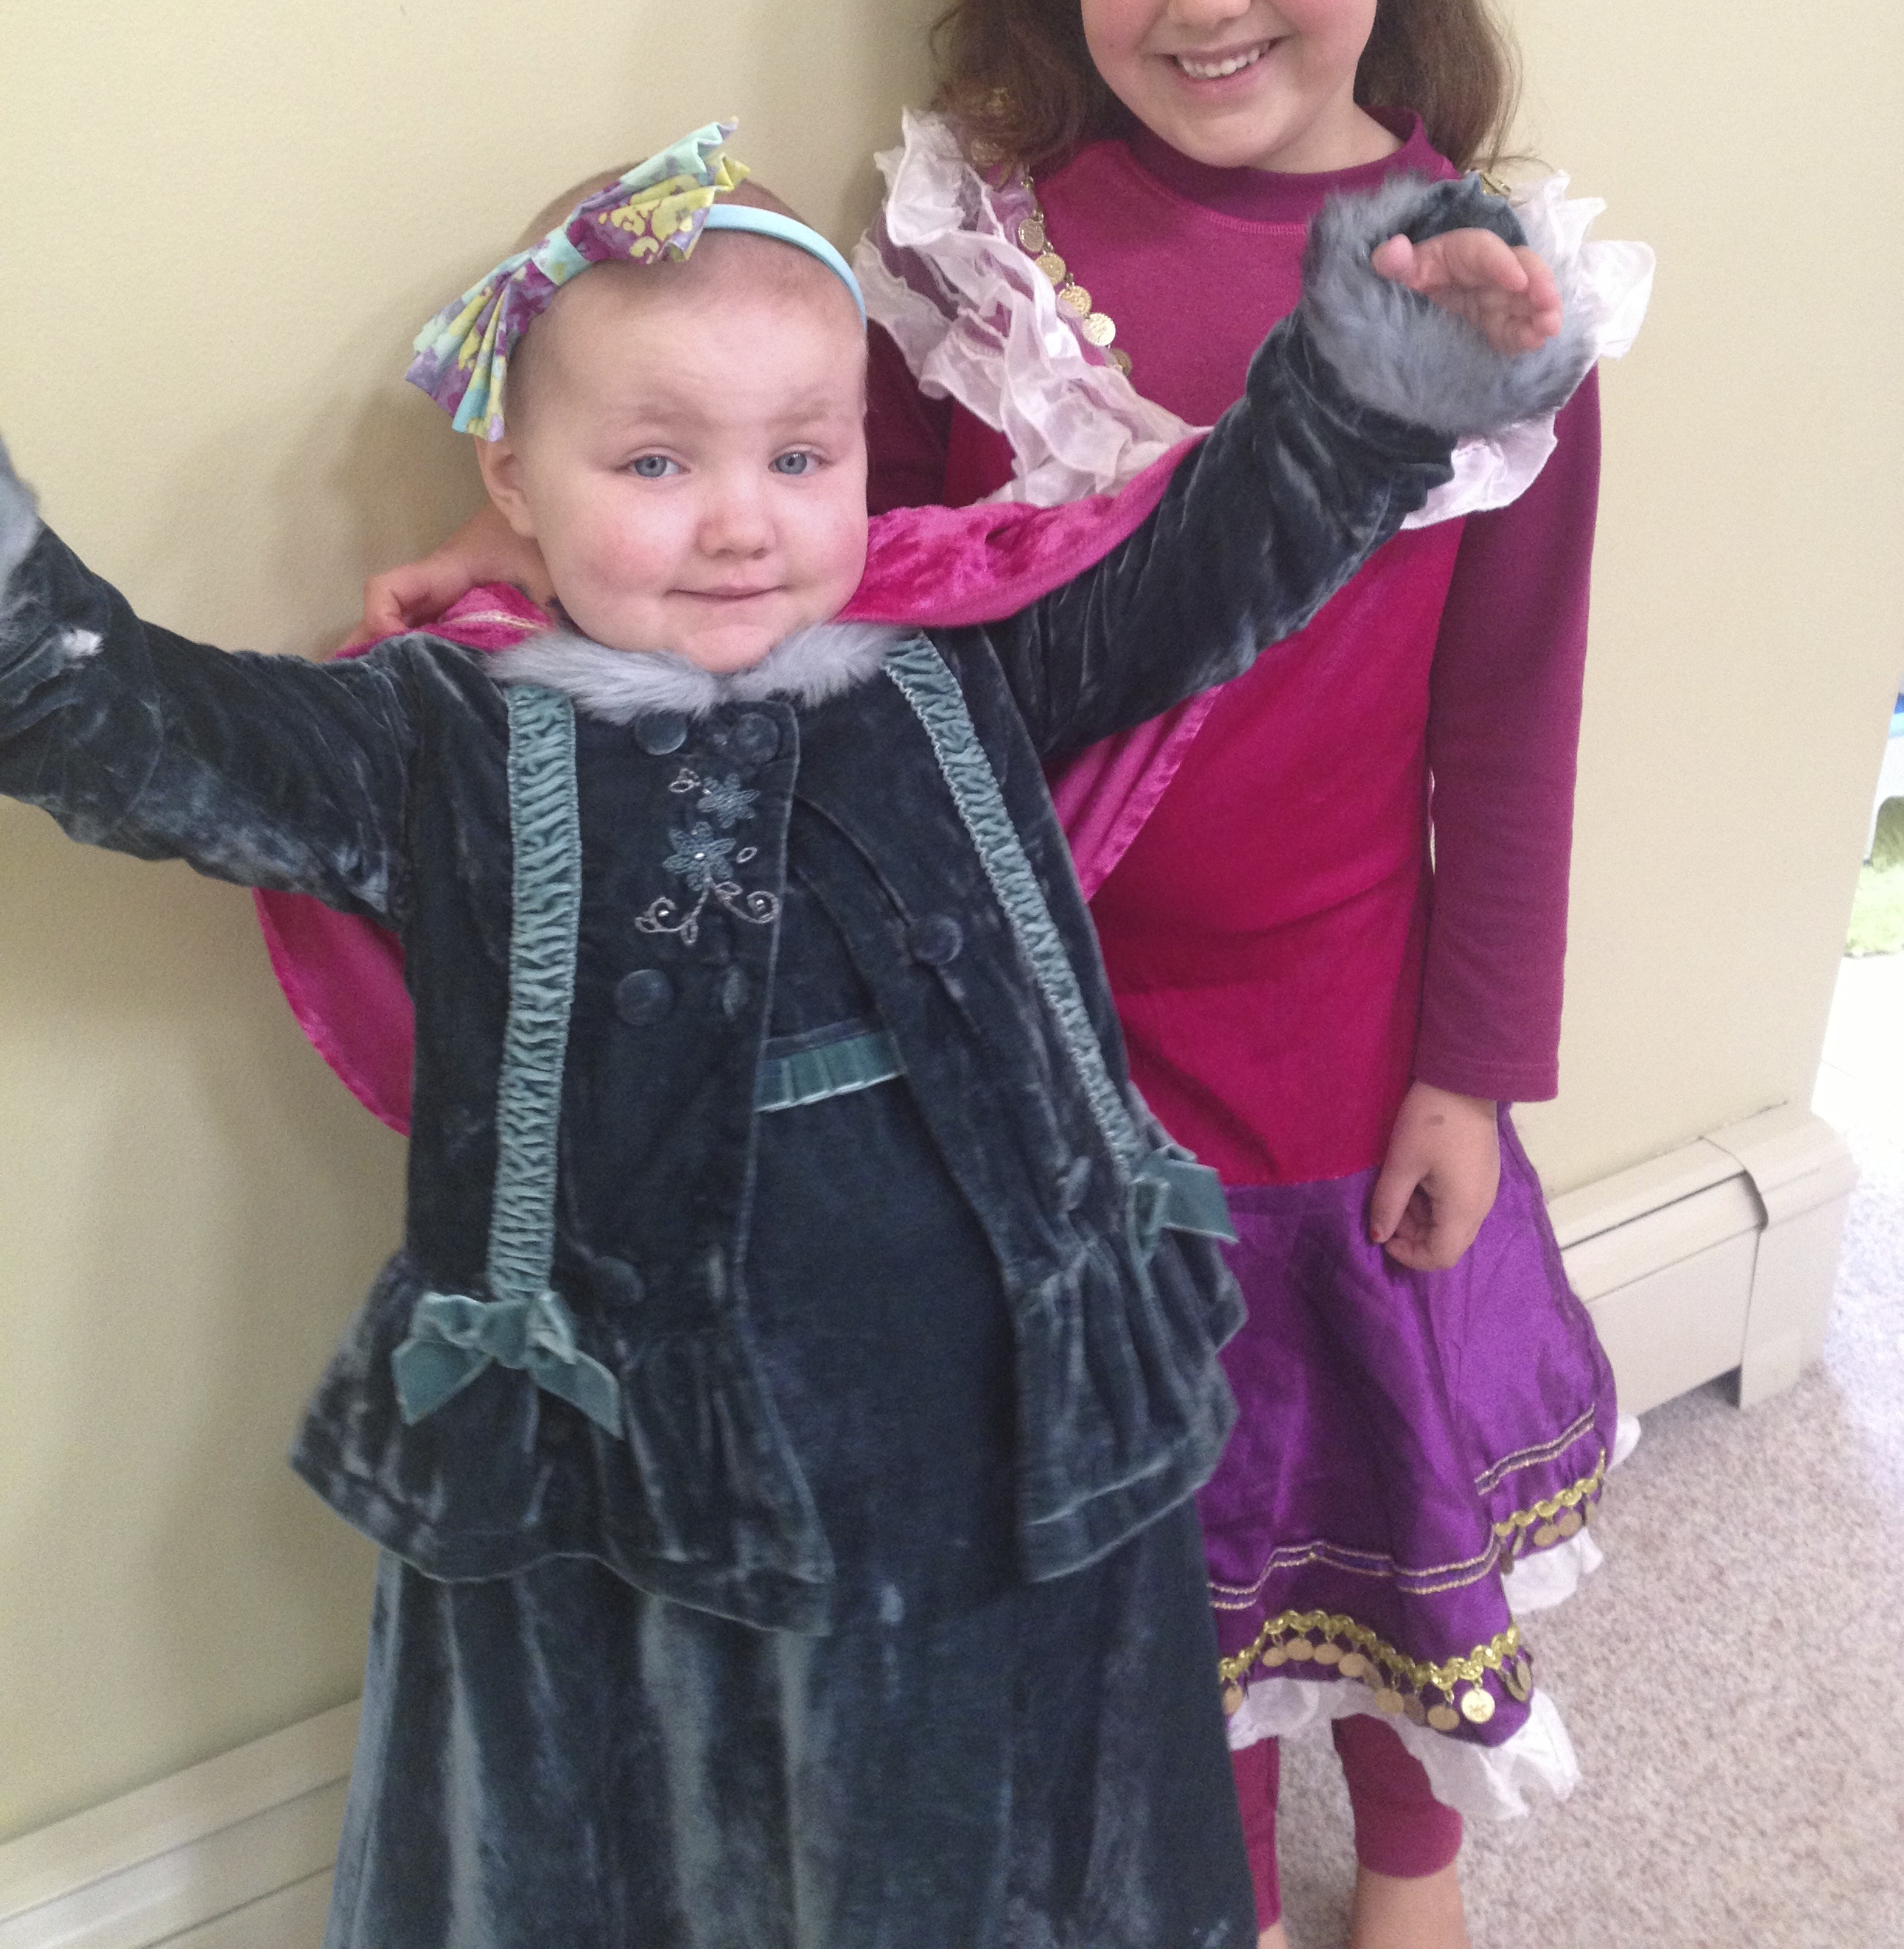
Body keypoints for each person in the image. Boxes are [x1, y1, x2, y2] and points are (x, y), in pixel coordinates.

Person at [0, 121, 1579, 1949]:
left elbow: (1215, 561)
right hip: (657, 1498)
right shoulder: (438, 748)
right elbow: (144, 733)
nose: (743, 519)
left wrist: (1379, 389)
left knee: (1027, 1826)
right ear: (513, 476)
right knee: (707, 1854)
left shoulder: (966, 668)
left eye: (800, 455)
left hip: (1007, 1436)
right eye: (656, 461)